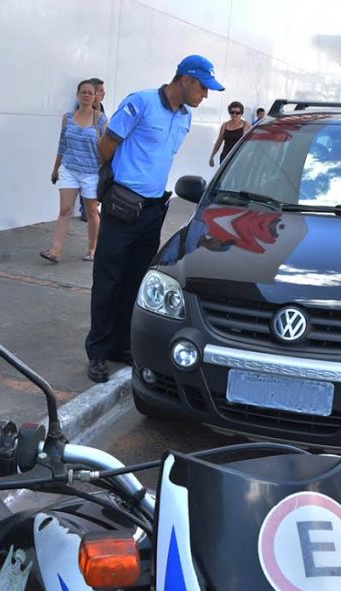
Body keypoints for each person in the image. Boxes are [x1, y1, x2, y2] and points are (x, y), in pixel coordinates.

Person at [84, 55, 224, 383]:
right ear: (186, 80)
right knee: (108, 281)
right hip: (122, 207)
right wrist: (117, 182)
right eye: (203, 87)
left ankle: (121, 345)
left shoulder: (185, 118)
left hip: (153, 210)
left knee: (135, 281)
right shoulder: (141, 103)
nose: (205, 95)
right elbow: (106, 146)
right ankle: (98, 353)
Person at [41, 80, 107, 263]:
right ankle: (55, 250)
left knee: (92, 211)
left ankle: (93, 249)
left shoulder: (100, 119)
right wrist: (55, 169)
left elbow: (107, 147)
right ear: (78, 95)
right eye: (83, 92)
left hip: (91, 173)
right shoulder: (67, 117)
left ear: (95, 97)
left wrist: (106, 171)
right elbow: (62, 145)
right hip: (69, 169)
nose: (86, 95)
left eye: (90, 93)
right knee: (64, 209)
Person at [79, 78, 107, 222]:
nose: (104, 93)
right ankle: (86, 211)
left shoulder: (100, 107)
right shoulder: (83, 108)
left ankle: (92, 209)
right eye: (101, 91)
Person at [209, 101, 250, 167]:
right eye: (232, 112)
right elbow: (219, 141)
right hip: (225, 157)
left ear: (241, 114)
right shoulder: (225, 125)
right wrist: (212, 156)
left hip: (239, 158)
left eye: (237, 113)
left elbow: (251, 141)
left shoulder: (246, 125)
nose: (234, 115)